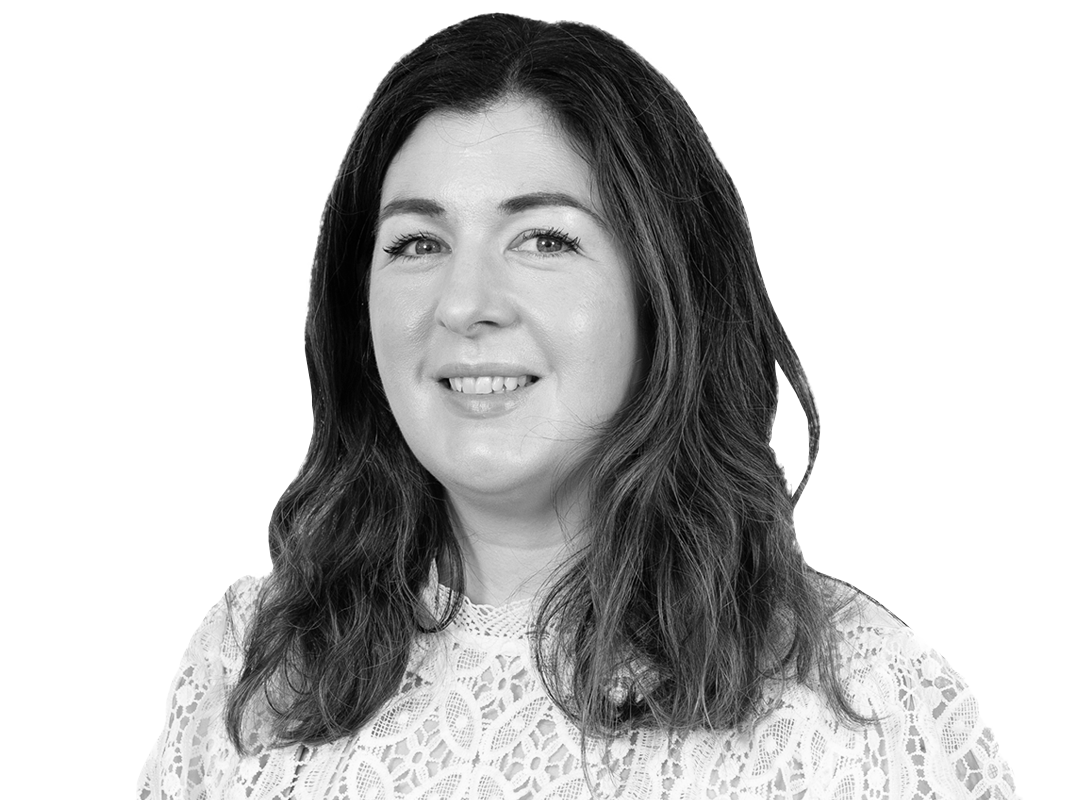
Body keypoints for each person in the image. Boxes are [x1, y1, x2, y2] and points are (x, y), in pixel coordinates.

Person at [139, 11, 1020, 799]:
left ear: (663, 291)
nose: (464, 302)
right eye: (416, 243)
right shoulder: (248, 670)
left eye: (544, 239)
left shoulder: (864, 709)